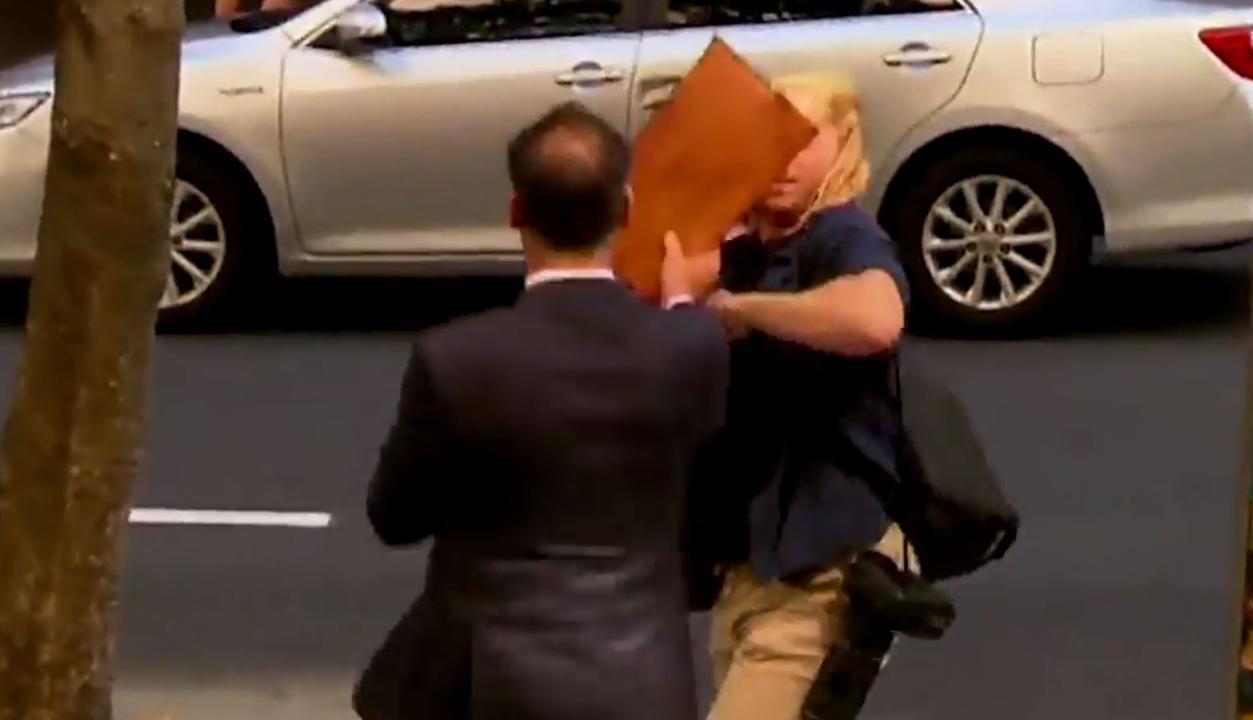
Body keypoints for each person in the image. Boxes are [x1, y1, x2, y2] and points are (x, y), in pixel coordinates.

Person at [353, 101, 729, 720]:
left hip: (489, 683)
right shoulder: (690, 347)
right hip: (643, 678)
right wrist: (683, 305)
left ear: (516, 213)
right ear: (626, 210)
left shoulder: (458, 357)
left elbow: (395, 517)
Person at [681, 73, 916, 720]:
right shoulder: (750, 249)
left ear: (842, 143)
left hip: (821, 573)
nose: (781, 157)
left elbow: (875, 320)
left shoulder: (845, 238)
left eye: (802, 140)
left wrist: (746, 310)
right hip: (750, 572)